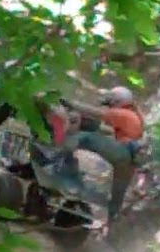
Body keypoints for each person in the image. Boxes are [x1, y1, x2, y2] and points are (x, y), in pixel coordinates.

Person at [61, 86, 148, 224]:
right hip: (130, 161)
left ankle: (59, 154)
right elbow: (107, 129)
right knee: (116, 198)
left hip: (122, 151)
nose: (109, 106)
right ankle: (111, 228)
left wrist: (70, 104)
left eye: (111, 102)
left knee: (86, 138)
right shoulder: (135, 116)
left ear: (118, 101)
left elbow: (96, 113)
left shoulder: (124, 114)